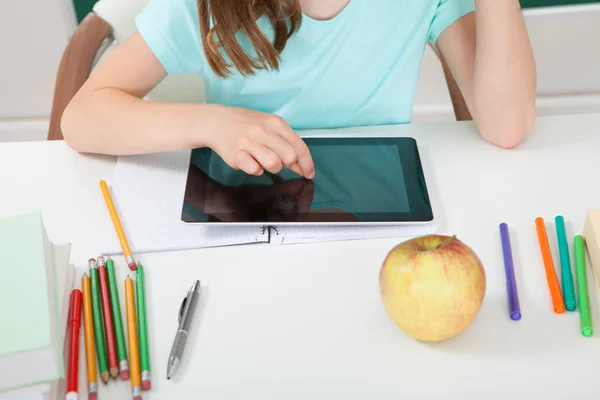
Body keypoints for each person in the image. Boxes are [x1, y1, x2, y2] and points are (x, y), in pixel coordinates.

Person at [61, 0, 537, 179]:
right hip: (249, 213)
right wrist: (211, 123)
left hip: (375, 210)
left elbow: (506, 125)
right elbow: (82, 118)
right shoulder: (201, 5)